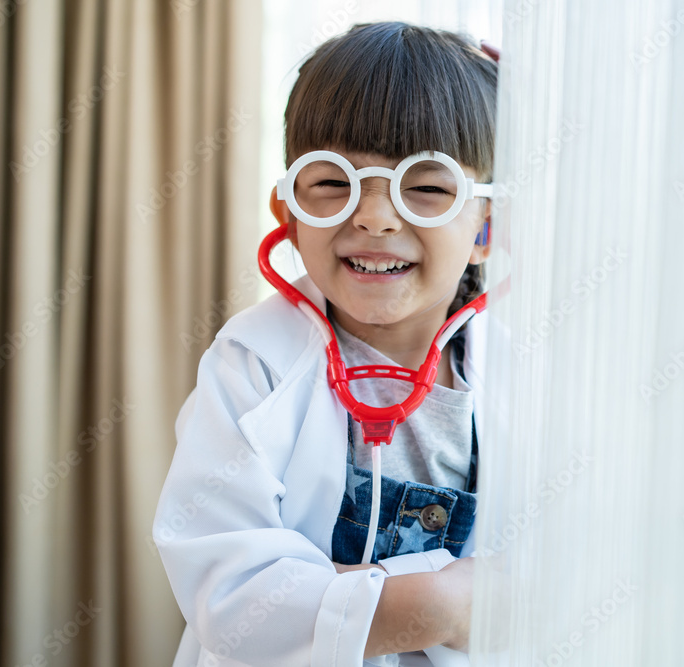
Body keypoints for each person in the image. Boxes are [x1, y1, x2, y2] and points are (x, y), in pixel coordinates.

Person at [153, 21, 498, 666]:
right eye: (333, 181)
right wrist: (443, 607)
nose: (373, 215)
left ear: (487, 227)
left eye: (426, 186)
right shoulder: (253, 366)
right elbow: (231, 595)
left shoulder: (524, 376)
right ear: (288, 213)